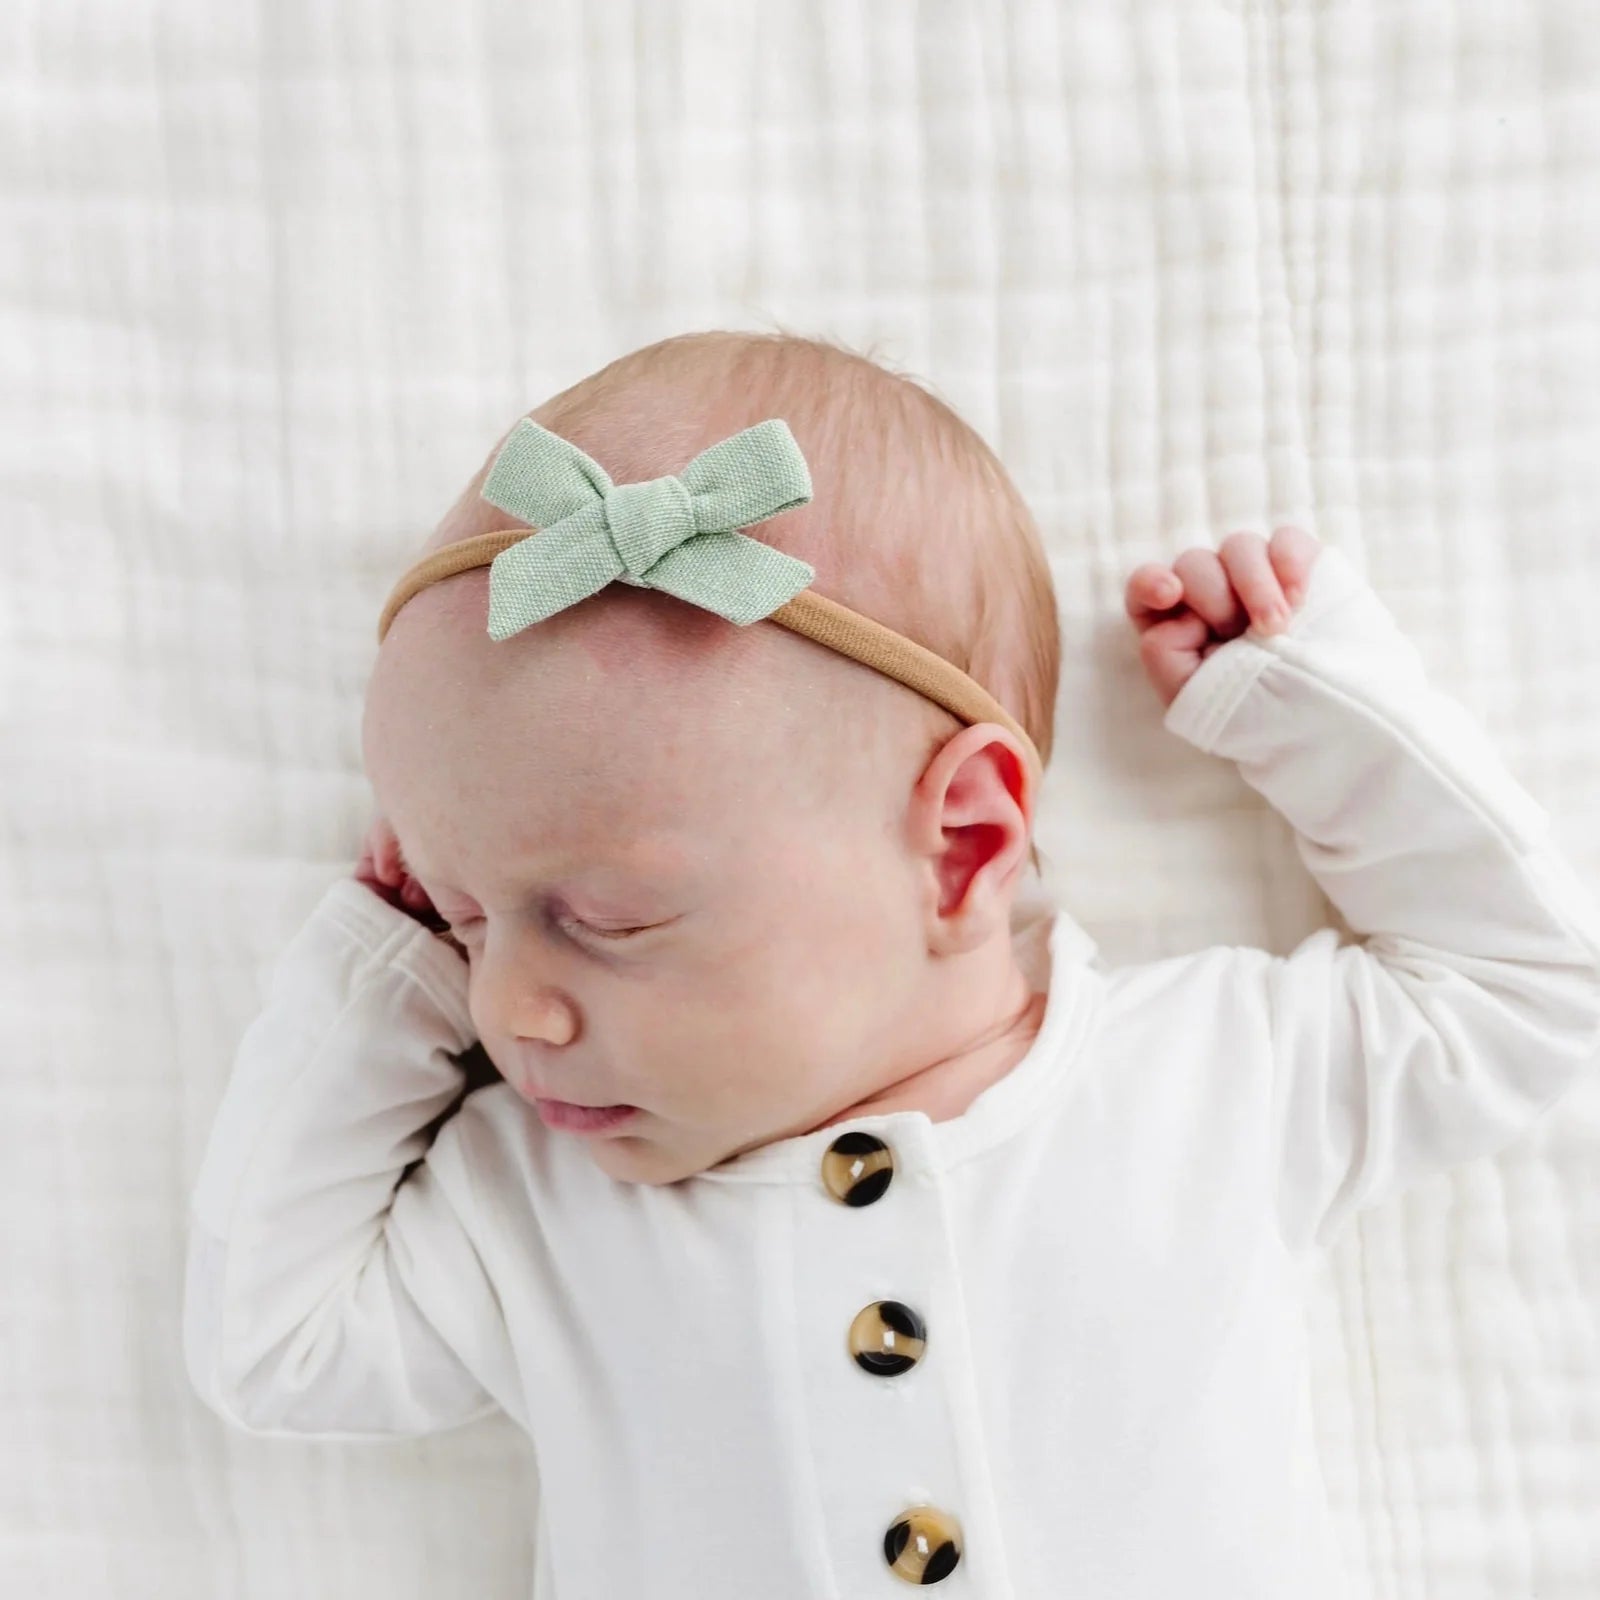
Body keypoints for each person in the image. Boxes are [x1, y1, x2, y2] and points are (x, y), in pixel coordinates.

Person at [183, 331, 1600, 1597]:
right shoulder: (541, 1208)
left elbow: (1531, 996)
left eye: (604, 920)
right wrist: (385, 973)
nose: (507, 1008)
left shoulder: (1210, 1080)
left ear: (967, 848)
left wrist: (1310, 705)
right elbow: (277, 1346)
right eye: (460, 913)